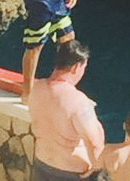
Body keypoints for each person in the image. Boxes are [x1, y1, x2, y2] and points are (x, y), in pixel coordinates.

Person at [27, 39, 104, 181]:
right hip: (71, 172)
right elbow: (94, 142)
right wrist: (96, 167)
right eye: (83, 68)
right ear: (76, 67)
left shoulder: (36, 88)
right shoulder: (79, 102)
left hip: (42, 164)